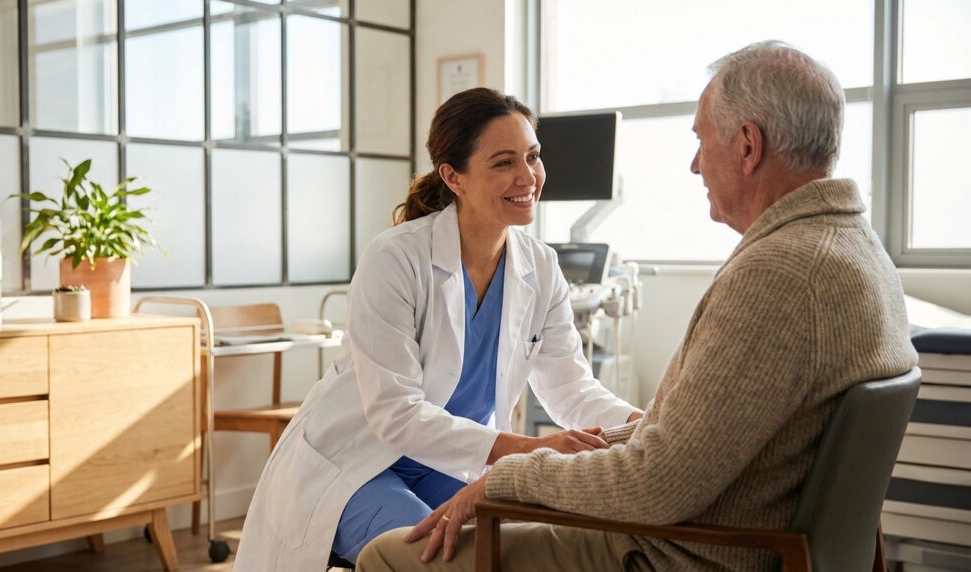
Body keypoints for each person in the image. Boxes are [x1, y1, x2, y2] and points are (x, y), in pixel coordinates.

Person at [356, 41, 918, 572]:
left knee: (390, 557)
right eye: (504, 162)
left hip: (680, 551)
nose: (694, 165)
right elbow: (686, 449)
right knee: (427, 536)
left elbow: (654, 478)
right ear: (453, 177)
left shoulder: (781, 272)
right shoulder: (857, 252)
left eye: (702, 141)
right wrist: (633, 433)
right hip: (368, 458)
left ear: (747, 146)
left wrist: (515, 474)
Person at [233, 87, 642, 571]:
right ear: (453, 177)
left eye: (533, 157)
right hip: (355, 465)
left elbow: (570, 388)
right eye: (504, 162)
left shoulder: (541, 266)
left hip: (447, 462)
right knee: (444, 561)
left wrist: (643, 424)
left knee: (521, 547)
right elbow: (397, 415)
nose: (527, 176)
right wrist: (530, 450)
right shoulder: (396, 258)